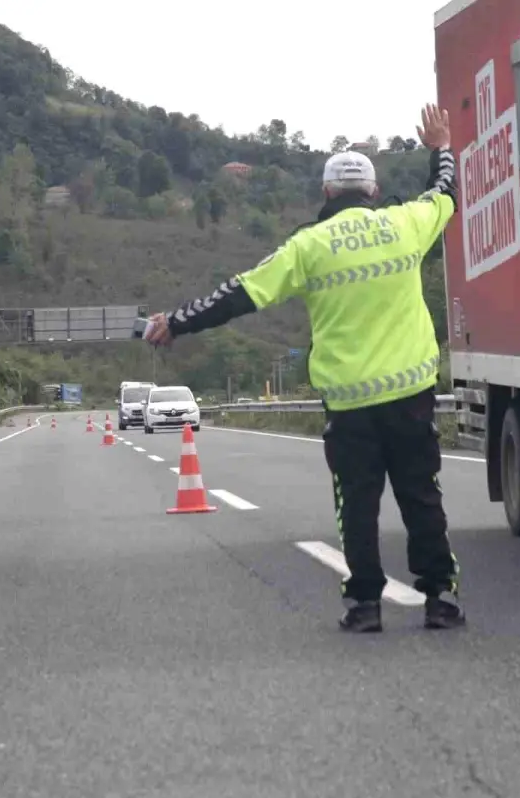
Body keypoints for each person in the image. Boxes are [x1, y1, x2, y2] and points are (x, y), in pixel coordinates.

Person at [144, 104, 463, 633]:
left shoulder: (308, 246)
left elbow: (239, 294)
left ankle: (364, 606)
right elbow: (445, 194)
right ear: (375, 192)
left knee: (357, 506)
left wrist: (177, 322)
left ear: (327, 195)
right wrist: (440, 147)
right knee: (421, 496)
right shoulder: (405, 225)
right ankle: (441, 600)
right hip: (411, 394)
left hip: (350, 404)